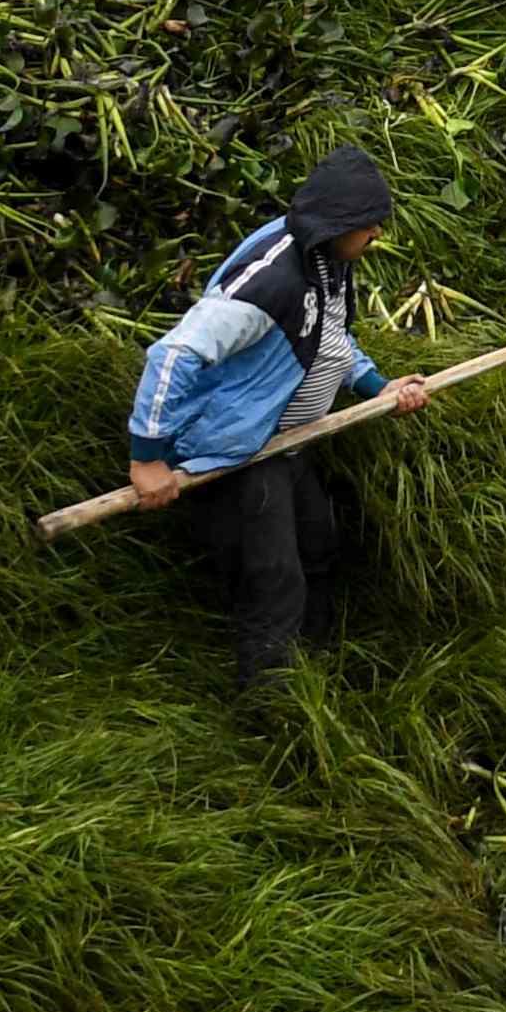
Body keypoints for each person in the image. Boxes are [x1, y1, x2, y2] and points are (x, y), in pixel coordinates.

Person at [123, 149, 396, 688]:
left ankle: (316, 666)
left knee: (320, 546)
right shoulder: (268, 285)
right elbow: (175, 355)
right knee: (276, 584)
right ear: (337, 224)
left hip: (288, 441)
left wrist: (378, 387)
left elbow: (330, 337)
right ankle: (272, 705)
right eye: (368, 225)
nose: (377, 234)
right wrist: (147, 459)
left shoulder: (332, 260)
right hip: (242, 452)